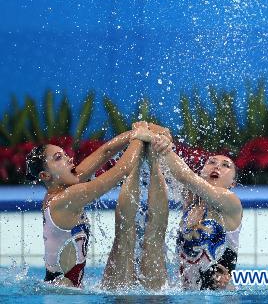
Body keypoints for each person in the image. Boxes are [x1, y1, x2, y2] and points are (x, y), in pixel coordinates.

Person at [25, 122, 170, 290]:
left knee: (123, 240)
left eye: (65, 154)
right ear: (45, 175)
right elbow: (122, 170)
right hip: (60, 296)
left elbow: (105, 151)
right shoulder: (64, 199)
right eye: (59, 158)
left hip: (63, 290)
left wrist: (142, 132)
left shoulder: (62, 187)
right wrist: (142, 136)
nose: (68, 159)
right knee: (123, 237)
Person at [152, 134, 243, 291]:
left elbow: (185, 176)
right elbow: (167, 173)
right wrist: (156, 138)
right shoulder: (191, 203)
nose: (217, 167)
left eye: (225, 165)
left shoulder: (230, 201)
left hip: (221, 299)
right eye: (211, 162)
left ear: (232, 183)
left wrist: (164, 148)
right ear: (201, 172)